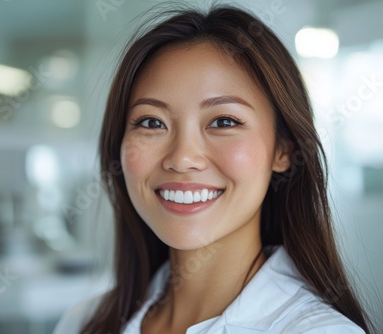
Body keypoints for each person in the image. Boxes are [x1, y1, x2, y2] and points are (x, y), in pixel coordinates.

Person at [54, 4, 372, 334]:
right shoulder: (82, 323)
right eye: (152, 122)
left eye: (223, 121)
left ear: (283, 149)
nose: (182, 157)